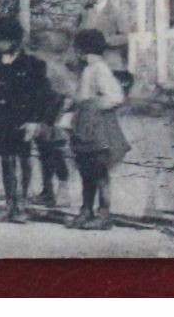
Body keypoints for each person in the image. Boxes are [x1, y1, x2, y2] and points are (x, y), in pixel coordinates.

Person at [0, 15, 50, 223]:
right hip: (1, 121)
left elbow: (41, 95)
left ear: (14, 40)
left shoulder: (33, 65)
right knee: (6, 161)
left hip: (24, 120)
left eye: (4, 40)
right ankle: (9, 203)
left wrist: (35, 121)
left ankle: (21, 205)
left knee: (23, 160)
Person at [70, 28, 129, 230]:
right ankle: (86, 210)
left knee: (99, 171)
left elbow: (116, 97)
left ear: (84, 50)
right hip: (85, 126)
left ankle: (104, 214)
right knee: (86, 170)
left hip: (98, 128)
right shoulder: (87, 69)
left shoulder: (100, 69)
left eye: (78, 49)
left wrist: (93, 105)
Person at [28, 27, 78, 210]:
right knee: (44, 154)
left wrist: (62, 111)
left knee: (56, 153)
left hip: (55, 116)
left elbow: (70, 93)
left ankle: (63, 191)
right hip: (44, 116)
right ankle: (47, 191)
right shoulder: (39, 65)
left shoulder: (55, 67)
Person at [77, 0, 133, 77]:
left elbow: (126, 37)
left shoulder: (115, 12)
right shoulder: (86, 12)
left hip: (109, 60)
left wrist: (107, 40)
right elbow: (78, 33)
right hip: (88, 61)